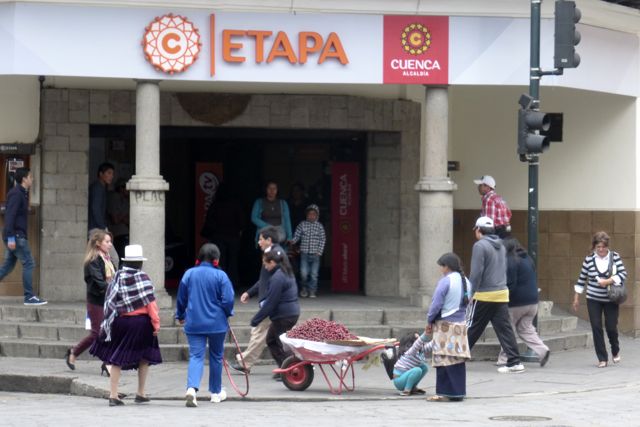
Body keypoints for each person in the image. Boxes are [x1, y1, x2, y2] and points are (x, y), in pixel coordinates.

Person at [89, 244, 162, 406]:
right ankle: (140, 392)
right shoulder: (144, 278)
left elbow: (110, 301)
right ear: (140, 263)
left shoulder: (117, 277)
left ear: (126, 261)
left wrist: (108, 323)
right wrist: (156, 324)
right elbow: (151, 304)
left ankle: (114, 394)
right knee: (144, 357)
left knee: (117, 358)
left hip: (121, 322)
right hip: (142, 323)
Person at [176, 243, 235, 408]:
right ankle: (215, 393)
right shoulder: (221, 276)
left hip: (194, 322)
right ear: (216, 259)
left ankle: (192, 389)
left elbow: (181, 298)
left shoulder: (189, 274)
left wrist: (180, 315)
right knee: (216, 356)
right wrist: (227, 312)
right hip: (217, 323)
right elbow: (228, 299)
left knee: (196, 356)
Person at [466, 216, 524, 373]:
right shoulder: (501, 245)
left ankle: (456, 358)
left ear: (479, 230)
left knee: (472, 327)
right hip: (501, 293)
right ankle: (515, 362)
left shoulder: (480, 246)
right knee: (505, 330)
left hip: (484, 294)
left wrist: (470, 292)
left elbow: (476, 272)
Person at [572, 231, 627, 368]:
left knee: (611, 327)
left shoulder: (614, 257)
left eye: (603, 247)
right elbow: (581, 279)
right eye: (598, 247)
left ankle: (615, 349)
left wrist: (608, 281)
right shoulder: (589, 259)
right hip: (593, 298)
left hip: (611, 299)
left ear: (607, 246)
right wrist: (576, 298)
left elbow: (623, 274)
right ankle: (602, 358)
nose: (601, 249)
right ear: (594, 246)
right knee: (596, 327)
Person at [230, 226, 281, 374]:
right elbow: (264, 280)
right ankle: (289, 364)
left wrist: (269, 301)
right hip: (270, 302)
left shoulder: (276, 255)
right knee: (271, 336)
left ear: (269, 240)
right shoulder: (271, 253)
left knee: (259, 332)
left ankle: (244, 363)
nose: (258, 242)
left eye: (261, 239)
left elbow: (278, 281)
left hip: (270, 303)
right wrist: (250, 292)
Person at [65, 229, 117, 373]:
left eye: (110, 241)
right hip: (97, 301)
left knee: (111, 331)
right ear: (98, 243)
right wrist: (114, 290)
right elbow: (99, 283)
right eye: (107, 242)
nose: (110, 244)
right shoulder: (93, 261)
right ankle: (74, 352)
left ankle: (106, 362)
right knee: (97, 333)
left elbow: (115, 278)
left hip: (109, 300)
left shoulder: (108, 259)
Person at [496, 238, 550, 367]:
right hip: (532, 302)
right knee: (525, 329)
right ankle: (542, 350)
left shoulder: (510, 260)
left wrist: (502, 297)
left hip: (516, 303)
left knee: (507, 330)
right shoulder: (527, 259)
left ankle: (505, 358)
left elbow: (511, 284)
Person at [425, 252, 471, 401]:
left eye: (442, 266)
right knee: (457, 359)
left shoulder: (446, 281)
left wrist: (429, 320)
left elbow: (436, 304)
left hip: (445, 326)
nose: (441, 270)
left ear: (447, 266)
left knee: (443, 359)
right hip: (460, 325)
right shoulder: (466, 281)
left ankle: (444, 393)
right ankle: (458, 392)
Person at [251, 246, 300, 381]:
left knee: (278, 343)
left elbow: (271, 303)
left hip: (283, 316)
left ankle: (290, 369)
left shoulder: (278, 277)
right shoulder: (285, 272)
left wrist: (256, 320)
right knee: (273, 340)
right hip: (289, 313)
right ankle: (284, 368)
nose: (265, 267)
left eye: (266, 264)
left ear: (272, 262)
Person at [0, 167, 46, 305]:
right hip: (16, 236)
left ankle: (29, 296)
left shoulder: (22, 193)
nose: (33, 179)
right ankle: (29, 297)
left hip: (15, 235)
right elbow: (10, 216)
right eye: (31, 177)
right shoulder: (16, 194)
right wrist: (11, 238)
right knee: (29, 263)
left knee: (7, 266)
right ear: (24, 179)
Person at [200, 182, 244, 287]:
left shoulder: (215, 205)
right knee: (233, 261)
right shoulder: (236, 204)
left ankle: (220, 283)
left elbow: (209, 221)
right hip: (233, 236)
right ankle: (233, 283)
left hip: (218, 237)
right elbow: (242, 222)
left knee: (220, 261)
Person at [289, 204, 325, 298]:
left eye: (314, 214)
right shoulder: (302, 224)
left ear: (317, 215)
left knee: (314, 274)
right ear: (306, 215)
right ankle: (304, 288)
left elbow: (322, 239)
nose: (311, 216)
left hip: (316, 254)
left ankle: (312, 290)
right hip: (304, 253)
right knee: (303, 273)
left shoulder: (319, 226)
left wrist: (319, 251)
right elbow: (297, 235)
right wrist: (292, 241)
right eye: (309, 214)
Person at [89, 162, 119, 266]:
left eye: (112, 174)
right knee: (114, 259)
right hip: (97, 229)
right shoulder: (97, 188)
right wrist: (103, 229)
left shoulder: (101, 188)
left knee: (100, 259)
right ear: (101, 174)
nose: (111, 176)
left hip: (97, 228)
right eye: (109, 173)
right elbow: (95, 209)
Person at [390, 331, 432, 396]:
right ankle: (407, 390)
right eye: (416, 339)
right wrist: (426, 334)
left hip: (405, 376)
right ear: (410, 343)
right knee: (417, 370)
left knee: (424, 367)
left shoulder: (420, 350)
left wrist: (439, 338)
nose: (420, 341)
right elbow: (416, 345)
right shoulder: (410, 351)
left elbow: (429, 346)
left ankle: (413, 387)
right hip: (399, 380)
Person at [250, 180, 292, 245]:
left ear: (277, 190)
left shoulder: (283, 203)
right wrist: (268, 226)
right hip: (264, 229)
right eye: (269, 188)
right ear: (266, 189)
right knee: (266, 240)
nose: (272, 190)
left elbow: (287, 220)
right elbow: (254, 218)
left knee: (278, 241)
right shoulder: (259, 202)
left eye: (274, 188)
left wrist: (289, 237)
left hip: (279, 230)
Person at [107, 179, 129, 259]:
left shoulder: (125, 200)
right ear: (121, 188)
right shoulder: (114, 198)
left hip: (125, 233)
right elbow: (115, 219)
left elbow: (129, 219)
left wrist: (122, 217)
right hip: (118, 234)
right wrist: (123, 217)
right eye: (126, 187)